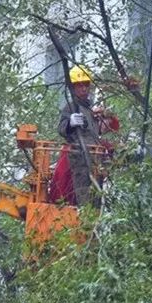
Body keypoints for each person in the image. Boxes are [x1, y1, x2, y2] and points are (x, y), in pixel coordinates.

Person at [50, 65, 119, 207]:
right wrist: (70, 123)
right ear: (73, 88)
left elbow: (98, 132)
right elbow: (61, 129)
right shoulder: (71, 107)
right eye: (79, 85)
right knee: (76, 195)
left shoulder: (89, 109)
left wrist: (105, 117)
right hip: (76, 160)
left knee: (93, 196)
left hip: (92, 160)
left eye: (86, 85)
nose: (83, 89)